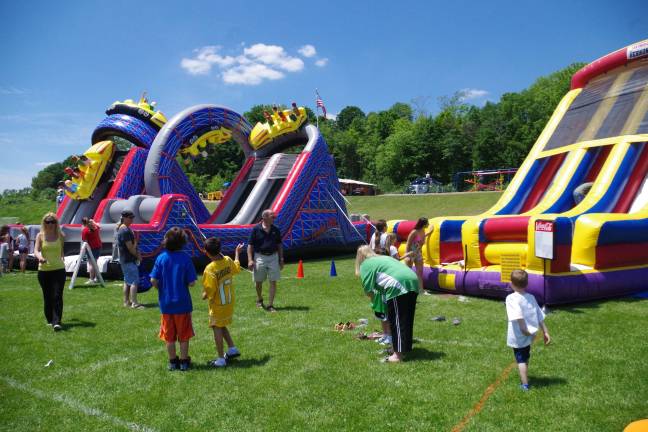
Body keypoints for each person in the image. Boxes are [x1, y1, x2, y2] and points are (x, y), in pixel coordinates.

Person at [356, 245, 419, 363]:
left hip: (398, 284)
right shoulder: (382, 258)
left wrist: (376, 303)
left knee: (396, 321)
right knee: (406, 318)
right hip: (412, 280)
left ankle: (397, 355)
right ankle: (403, 349)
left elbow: (368, 290)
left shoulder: (365, 264)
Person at [150, 227, 197, 371]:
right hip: (182, 304)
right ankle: (183, 361)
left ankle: (172, 361)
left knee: (169, 336)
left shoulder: (161, 258)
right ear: (182, 242)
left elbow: (153, 279)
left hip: (166, 304)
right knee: (184, 335)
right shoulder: (185, 259)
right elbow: (192, 282)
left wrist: (161, 288)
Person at [506, 269, 551, 391]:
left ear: (512, 284)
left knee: (520, 359)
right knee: (525, 356)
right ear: (526, 284)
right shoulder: (531, 297)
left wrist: (523, 330)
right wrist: (545, 332)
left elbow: (518, 315)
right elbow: (539, 316)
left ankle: (525, 384)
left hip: (520, 334)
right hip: (530, 334)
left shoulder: (511, 298)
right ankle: (525, 376)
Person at [202, 238, 244, 368]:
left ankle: (220, 359)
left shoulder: (210, 269)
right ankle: (232, 349)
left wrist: (204, 295)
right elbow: (237, 268)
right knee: (221, 325)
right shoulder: (227, 260)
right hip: (229, 303)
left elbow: (210, 290)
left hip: (218, 304)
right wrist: (237, 252)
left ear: (207, 253)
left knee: (216, 327)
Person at [34, 213, 66, 331]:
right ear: (44, 223)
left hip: (59, 270)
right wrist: (40, 258)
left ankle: (57, 321)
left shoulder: (60, 235)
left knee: (57, 295)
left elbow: (61, 249)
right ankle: (49, 318)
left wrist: (62, 257)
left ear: (56, 223)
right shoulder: (40, 236)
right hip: (44, 271)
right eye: (48, 222)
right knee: (48, 296)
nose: (50, 224)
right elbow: (36, 250)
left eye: (53, 221)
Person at [247, 209, 284, 312]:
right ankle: (259, 299)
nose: (275, 218)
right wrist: (250, 260)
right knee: (258, 281)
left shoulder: (276, 229)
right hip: (259, 257)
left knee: (273, 281)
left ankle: (270, 305)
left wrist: (281, 259)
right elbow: (250, 246)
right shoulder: (256, 229)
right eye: (273, 216)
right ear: (265, 218)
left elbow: (279, 245)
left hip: (273, 257)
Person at [117, 210, 144, 309]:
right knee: (134, 281)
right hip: (128, 259)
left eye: (132, 217)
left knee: (127, 282)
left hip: (125, 259)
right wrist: (138, 255)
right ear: (124, 218)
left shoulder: (124, 229)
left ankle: (126, 302)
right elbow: (130, 248)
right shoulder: (125, 230)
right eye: (130, 218)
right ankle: (134, 303)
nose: (132, 220)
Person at [405, 217, 434, 294]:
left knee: (420, 272)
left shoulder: (423, 230)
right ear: (423, 224)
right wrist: (407, 255)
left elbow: (422, 238)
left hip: (418, 253)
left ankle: (421, 290)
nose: (428, 224)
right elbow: (408, 243)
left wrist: (429, 232)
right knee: (408, 272)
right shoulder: (414, 232)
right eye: (427, 223)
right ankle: (407, 289)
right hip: (411, 252)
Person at [81, 217, 102, 284]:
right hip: (98, 247)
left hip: (91, 248)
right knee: (95, 263)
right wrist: (93, 221)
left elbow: (85, 242)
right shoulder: (95, 227)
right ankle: (97, 278)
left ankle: (91, 279)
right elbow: (99, 226)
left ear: (83, 223)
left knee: (91, 264)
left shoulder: (85, 231)